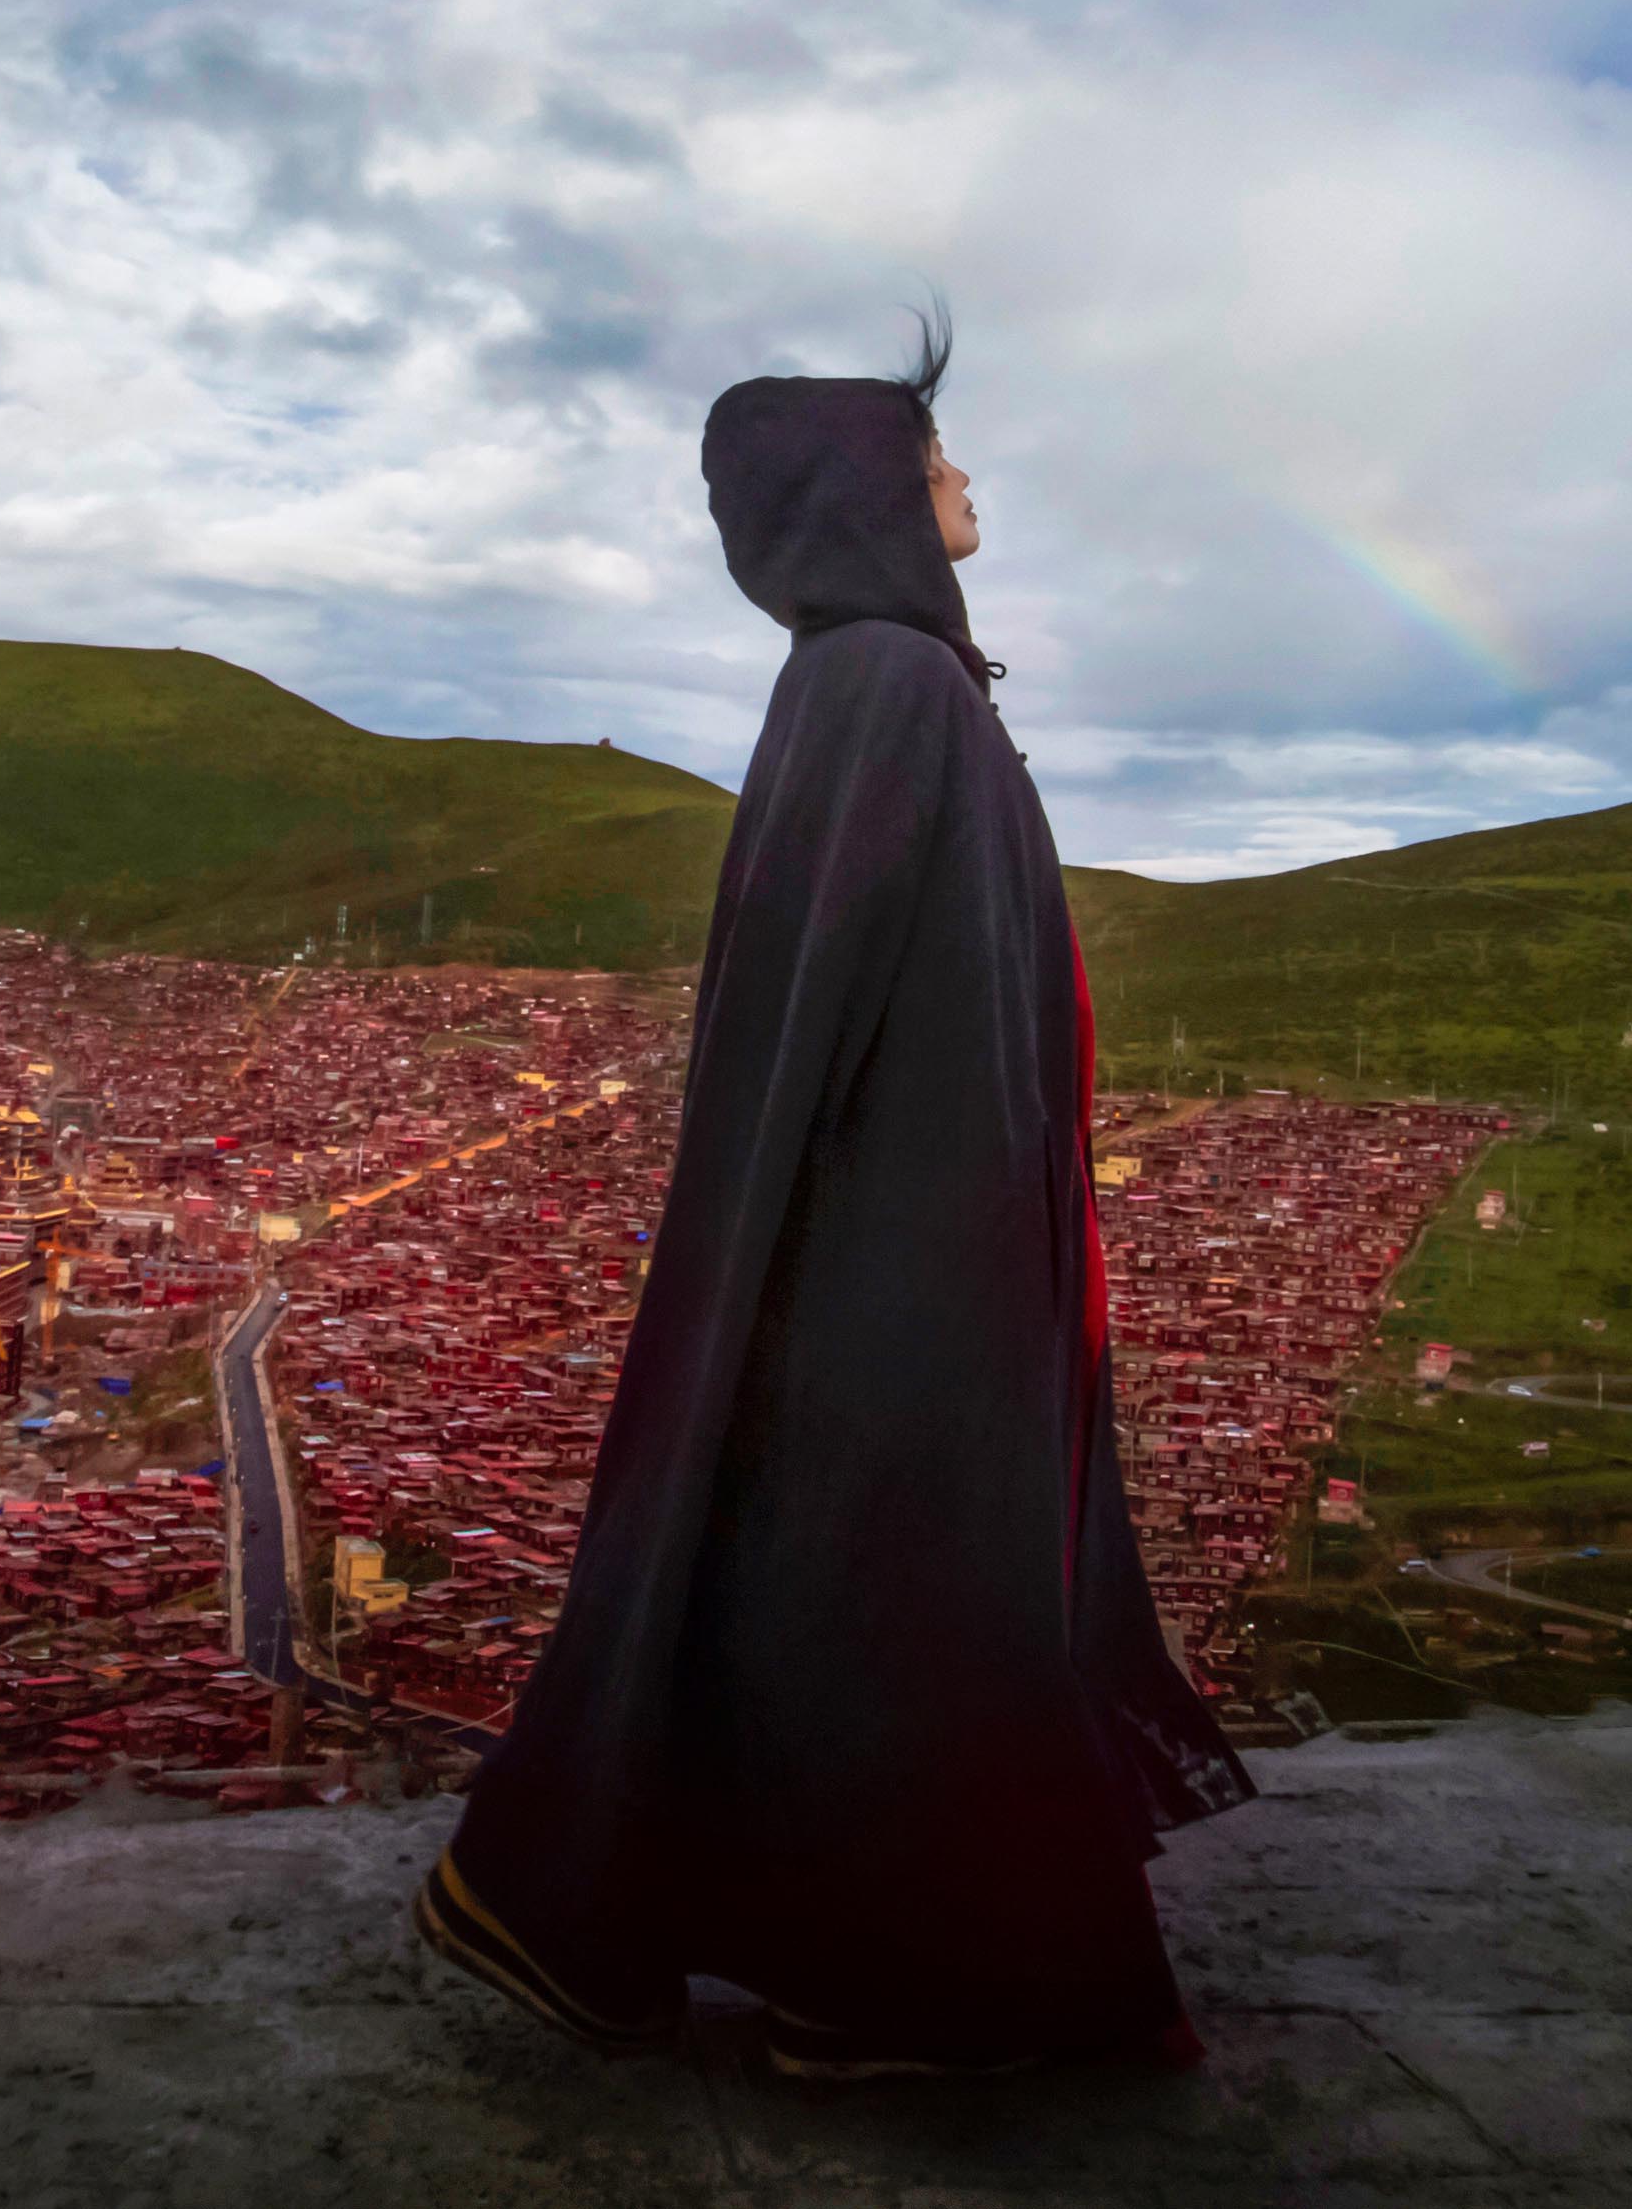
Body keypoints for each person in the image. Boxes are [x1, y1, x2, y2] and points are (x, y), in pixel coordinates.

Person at [414, 320, 1251, 2079]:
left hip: (912, 1238)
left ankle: (844, 1971)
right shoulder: (884, 686)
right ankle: (896, 1982)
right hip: (900, 1260)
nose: (964, 481)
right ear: (874, 492)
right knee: (921, 1598)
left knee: (867, 1597)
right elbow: (819, 1020)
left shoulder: (885, 686)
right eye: (935, 454)